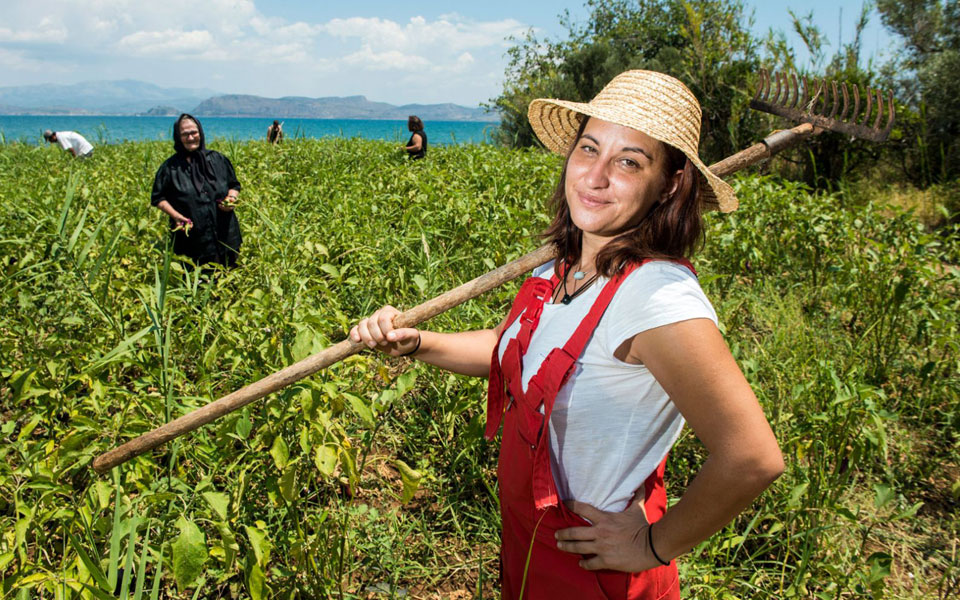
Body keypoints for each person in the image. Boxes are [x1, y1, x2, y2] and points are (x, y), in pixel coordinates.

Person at [351, 71, 784, 599]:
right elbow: (511, 349)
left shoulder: (655, 298)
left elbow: (753, 456)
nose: (595, 177)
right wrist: (417, 342)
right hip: (528, 543)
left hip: (595, 572)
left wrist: (653, 545)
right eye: (588, 149)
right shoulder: (556, 272)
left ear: (669, 184)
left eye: (629, 161)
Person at [150, 114, 242, 268]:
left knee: (230, 277)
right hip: (192, 240)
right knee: (198, 284)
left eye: (194, 132)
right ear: (178, 137)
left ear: (200, 132)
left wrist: (231, 199)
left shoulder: (218, 159)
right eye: (185, 134)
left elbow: (234, 185)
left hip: (226, 236)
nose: (191, 137)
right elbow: (158, 198)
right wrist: (176, 216)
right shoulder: (170, 168)